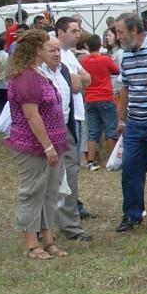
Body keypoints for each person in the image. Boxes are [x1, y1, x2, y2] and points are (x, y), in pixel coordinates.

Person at [4, 30, 71, 260]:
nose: (53, 51)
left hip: (54, 143)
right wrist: (47, 146)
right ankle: (32, 244)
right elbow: (32, 115)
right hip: (35, 146)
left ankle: (48, 238)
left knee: (49, 193)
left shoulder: (39, 73)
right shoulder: (26, 77)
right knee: (33, 192)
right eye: (47, 47)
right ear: (37, 50)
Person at [114, 13, 147, 233]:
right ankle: (132, 214)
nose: (117, 36)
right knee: (130, 171)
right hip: (135, 123)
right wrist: (122, 119)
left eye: (120, 32)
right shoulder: (124, 54)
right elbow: (125, 88)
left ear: (134, 30)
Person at [53, 17, 92, 237]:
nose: (79, 35)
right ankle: (65, 221)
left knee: (71, 169)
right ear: (60, 32)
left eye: (79, 31)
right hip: (61, 120)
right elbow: (77, 83)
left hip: (74, 116)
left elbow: (87, 79)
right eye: (74, 31)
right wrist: (76, 78)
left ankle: (71, 216)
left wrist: (77, 78)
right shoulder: (56, 54)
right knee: (65, 170)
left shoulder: (69, 55)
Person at [79, 33, 120, 170]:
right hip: (106, 97)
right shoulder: (105, 59)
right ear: (100, 45)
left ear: (87, 46)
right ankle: (112, 161)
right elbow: (116, 71)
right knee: (111, 129)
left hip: (90, 98)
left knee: (92, 131)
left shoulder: (83, 61)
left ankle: (91, 161)